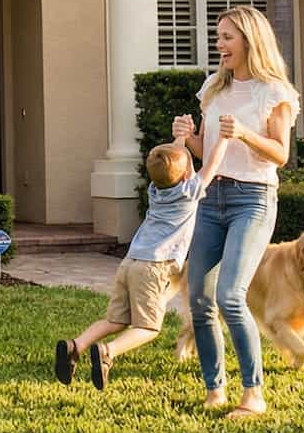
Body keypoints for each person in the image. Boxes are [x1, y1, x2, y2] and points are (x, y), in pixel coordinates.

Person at [179, 6, 299, 420]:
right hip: (211, 200)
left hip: (253, 198)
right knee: (198, 296)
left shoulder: (275, 93)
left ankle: (254, 394)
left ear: (250, 39)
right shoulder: (214, 87)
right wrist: (189, 138)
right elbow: (209, 152)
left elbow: (281, 155)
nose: (219, 43)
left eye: (227, 36)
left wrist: (247, 133)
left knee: (231, 295)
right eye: (218, 36)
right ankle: (215, 388)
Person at [53, 139, 227, 390]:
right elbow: (212, 164)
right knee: (148, 327)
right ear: (187, 173)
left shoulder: (155, 191)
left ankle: (75, 346)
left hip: (130, 262)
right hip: (154, 266)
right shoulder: (188, 193)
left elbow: (173, 161)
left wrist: (180, 139)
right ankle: (107, 352)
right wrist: (224, 138)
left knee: (115, 320)